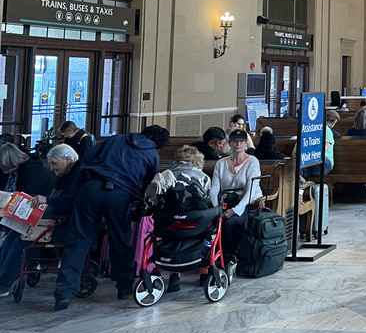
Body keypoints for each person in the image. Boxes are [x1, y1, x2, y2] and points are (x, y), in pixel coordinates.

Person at [53, 125, 168, 310]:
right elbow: (147, 184)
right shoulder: (152, 154)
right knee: (120, 241)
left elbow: (88, 157)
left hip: (89, 190)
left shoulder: (117, 139)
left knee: (77, 241)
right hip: (120, 196)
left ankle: (63, 294)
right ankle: (123, 288)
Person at [0, 144, 84, 298]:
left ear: (67, 159)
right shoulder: (66, 176)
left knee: (21, 241)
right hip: (53, 219)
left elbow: (74, 202)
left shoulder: (78, 175)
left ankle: (4, 284)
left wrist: (47, 200)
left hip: (64, 225)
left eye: (54, 163)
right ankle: (2, 277)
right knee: (13, 235)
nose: (51, 168)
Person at [145, 145, 214, 292]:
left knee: (171, 237)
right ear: (198, 161)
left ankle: (174, 275)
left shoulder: (164, 175)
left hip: (169, 227)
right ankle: (204, 272)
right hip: (195, 227)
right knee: (210, 232)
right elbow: (209, 203)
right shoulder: (204, 178)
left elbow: (152, 201)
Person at [210, 130, 264, 270]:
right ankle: (212, 257)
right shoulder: (221, 164)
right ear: (230, 143)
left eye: (241, 140)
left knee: (231, 223)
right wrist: (216, 210)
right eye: (234, 141)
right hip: (226, 202)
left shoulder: (252, 162)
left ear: (246, 143)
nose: (237, 144)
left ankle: (229, 257)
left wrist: (235, 211)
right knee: (212, 222)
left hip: (247, 203)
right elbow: (214, 189)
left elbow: (250, 191)